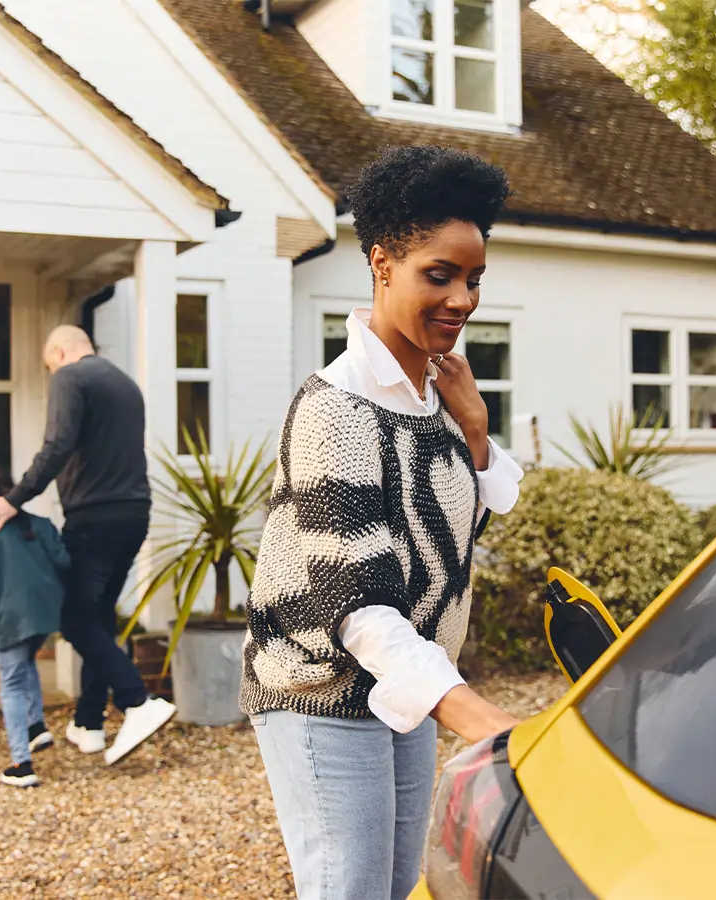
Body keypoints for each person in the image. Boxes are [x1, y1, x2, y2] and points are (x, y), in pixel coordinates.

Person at [241, 145, 525, 900]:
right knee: (351, 889)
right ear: (381, 263)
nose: (463, 299)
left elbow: (451, 550)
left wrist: (474, 430)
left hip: (405, 686)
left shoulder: (434, 396)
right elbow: (360, 601)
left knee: (395, 888)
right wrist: (479, 716)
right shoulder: (334, 409)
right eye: (440, 275)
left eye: (474, 279)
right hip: (324, 687)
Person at [0, 325, 175, 765]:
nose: (52, 374)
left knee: (75, 618)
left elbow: (57, 445)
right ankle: (88, 724)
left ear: (60, 352)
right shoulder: (124, 384)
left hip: (94, 518)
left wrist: (12, 500)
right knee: (100, 617)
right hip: (134, 513)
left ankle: (138, 702)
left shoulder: (70, 376)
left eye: (50, 366)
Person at [0, 468, 70, 788]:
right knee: (26, 663)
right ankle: (36, 726)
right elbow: (65, 562)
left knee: (11, 684)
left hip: (10, 616)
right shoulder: (39, 524)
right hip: (46, 615)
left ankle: (21, 763)